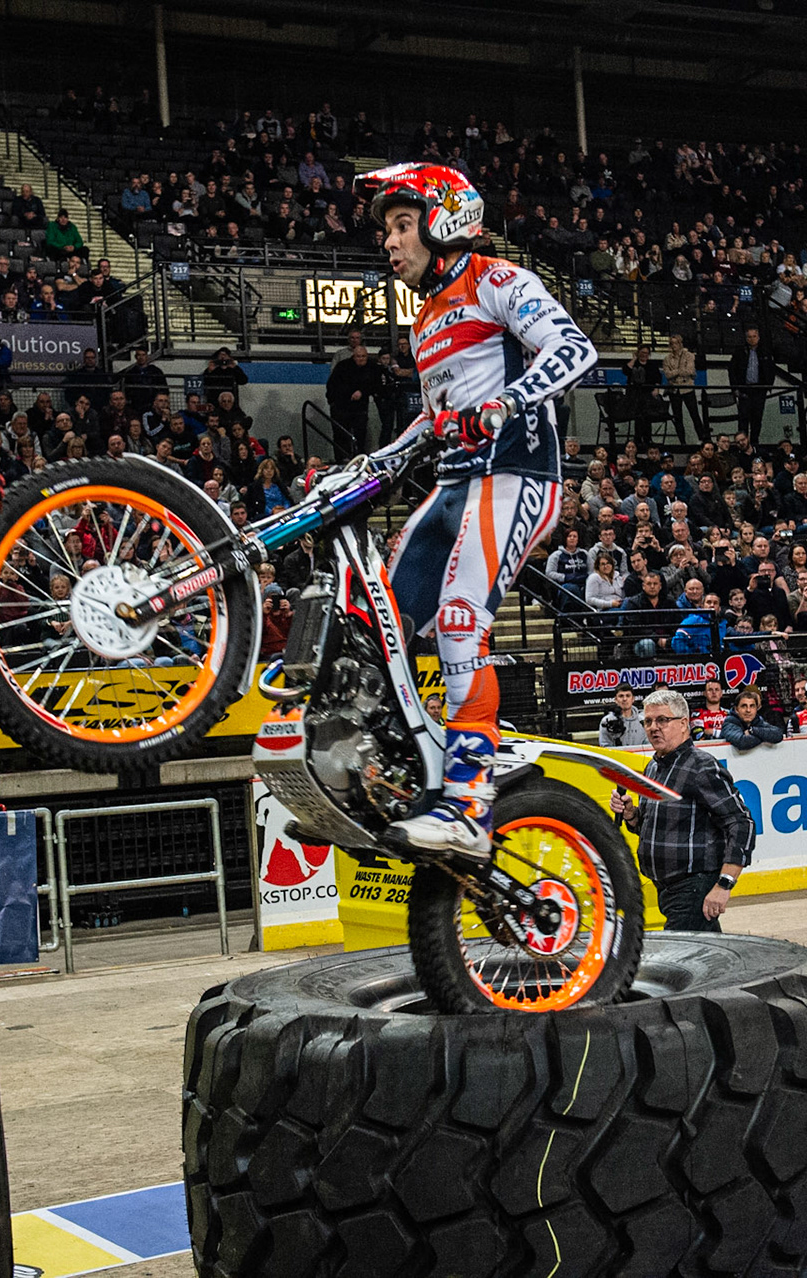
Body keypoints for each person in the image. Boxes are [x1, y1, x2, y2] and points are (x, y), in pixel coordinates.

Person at [361, 163, 598, 858]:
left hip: (518, 474)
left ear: (443, 221)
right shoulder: (425, 318)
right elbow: (437, 422)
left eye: (402, 225)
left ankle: (468, 803)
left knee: (462, 618)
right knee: (382, 622)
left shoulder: (498, 280)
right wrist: (376, 460)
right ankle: (400, 773)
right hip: (455, 481)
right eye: (388, 230)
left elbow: (574, 348)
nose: (390, 242)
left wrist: (510, 401)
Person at [608, 689, 754, 932]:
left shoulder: (702, 766)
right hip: (667, 888)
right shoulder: (653, 767)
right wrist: (632, 816)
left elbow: (741, 823)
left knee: (679, 961)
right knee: (704, 958)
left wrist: (724, 884)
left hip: (692, 886)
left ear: (684, 723)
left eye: (663, 720)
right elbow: (655, 826)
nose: (654, 727)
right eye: (648, 721)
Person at [719, 688, 785, 751]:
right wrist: (766, 737)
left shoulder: (757, 720)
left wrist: (752, 731)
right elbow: (742, 742)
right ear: (736, 709)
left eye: (752, 706)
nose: (748, 710)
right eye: (744, 706)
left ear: (757, 709)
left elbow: (778, 734)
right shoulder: (729, 722)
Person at [599, 684, 646, 748]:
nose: (624, 699)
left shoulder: (643, 721)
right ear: (616, 700)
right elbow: (605, 745)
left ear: (633, 699)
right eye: (621, 696)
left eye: (628, 696)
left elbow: (648, 745)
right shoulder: (607, 721)